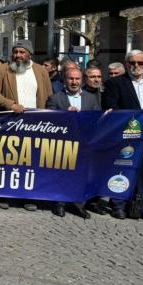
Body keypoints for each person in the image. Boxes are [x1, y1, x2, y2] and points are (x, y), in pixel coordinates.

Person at [0, 40, 53, 212]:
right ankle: (5, 194)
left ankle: (29, 196)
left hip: (35, 123)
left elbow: (49, 95)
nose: (18, 55)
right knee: (7, 159)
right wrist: (10, 104)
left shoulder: (41, 71)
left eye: (22, 52)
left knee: (31, 161)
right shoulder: (2, 70)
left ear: (29, 54)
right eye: (15, 52)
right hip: (10, 122)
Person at [102, 49, 143, 222]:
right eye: (132, 62)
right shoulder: (115, 83)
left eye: (140, 63)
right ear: (126, 64)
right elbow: (110, 105)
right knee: (122, 170)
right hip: (126, 136)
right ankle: (118, 205)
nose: (136, 66)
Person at [45, 67, 98, 218]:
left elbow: (96, 118)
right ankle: (59, 204)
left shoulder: (91, 98)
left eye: (77, 79)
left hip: (84, 143)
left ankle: (78, 205)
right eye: (71, 79)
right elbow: (48, 121)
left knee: (81, 175)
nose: (74, 82)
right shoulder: (55, 98)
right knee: (61, 174)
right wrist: (64, 115)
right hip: (63, 143)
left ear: (82, 80)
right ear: (64, 80)